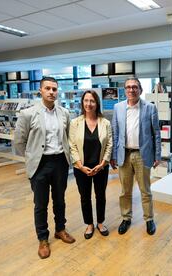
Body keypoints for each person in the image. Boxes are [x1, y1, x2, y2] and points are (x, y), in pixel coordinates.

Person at [14, 76, 75, 259]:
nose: (51, 92)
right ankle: (42, 238)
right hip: (40, 165)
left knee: (60, 200)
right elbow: (19, 141)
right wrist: (32, 157)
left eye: (54, 89)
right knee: (40, 204)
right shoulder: (28, 114)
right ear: (40, 90)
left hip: (60, 163)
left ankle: (60, 229)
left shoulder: (64, 113)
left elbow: (67, 137)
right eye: (47, 88)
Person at [110, 77, 161, 235]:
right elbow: (115, 132)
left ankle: (149, 219)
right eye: (128, 87)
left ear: (140, 89)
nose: (131, 90)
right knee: (125, 191)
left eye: (134, 87)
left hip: (142, 154)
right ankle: (126, 218)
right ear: (124, 90)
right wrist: (112, 155)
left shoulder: (150, 108)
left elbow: (156, 133)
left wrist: (157, 155)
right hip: (123, 154)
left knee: (145, 190)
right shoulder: (118, 107)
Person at [69, 90, 112, 239]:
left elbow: (109, 145)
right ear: (82, 102)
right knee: (85, 197)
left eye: (92, 101)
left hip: (101, 167)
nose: (89, 104)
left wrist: (102, 164)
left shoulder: (105, 123)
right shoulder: (75, 123)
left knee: (101, 196)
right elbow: (72, 146)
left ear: (97, 103)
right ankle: (89, 224)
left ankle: (100, 222)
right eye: (86, 100)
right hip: (81, 168)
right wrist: (80, 166)